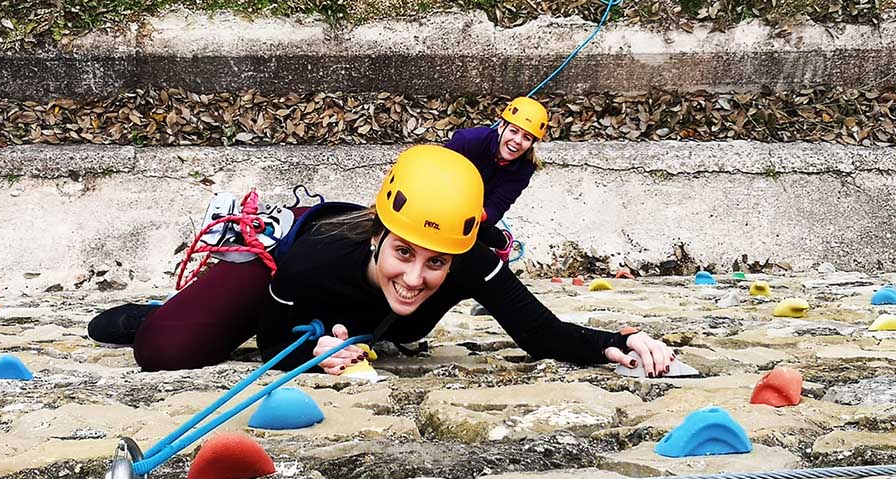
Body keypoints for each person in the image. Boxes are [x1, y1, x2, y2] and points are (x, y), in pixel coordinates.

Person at [117, 144, 674, 377]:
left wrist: (622, 342)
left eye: (437, 263)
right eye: (404, 253)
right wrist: (309, 351)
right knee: (166, 349)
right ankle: (161, 311)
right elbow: (272, 344)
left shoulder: (471, 261)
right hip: (280, 271)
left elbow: (542, 334)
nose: (414, 278)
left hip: (354, 314)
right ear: (380, 235)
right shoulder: (315, 261)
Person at [444, 96, 548, 257]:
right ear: (501, 127)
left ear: (532, 144)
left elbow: (497, 206)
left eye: (526, 137)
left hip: (477, 214)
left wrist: (476, 214)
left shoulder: (525, 168)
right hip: (445, 198)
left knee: (476, 237)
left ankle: (503, 243)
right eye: (513, 131)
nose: (517, 141)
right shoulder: (467, 141)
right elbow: (438, 171)